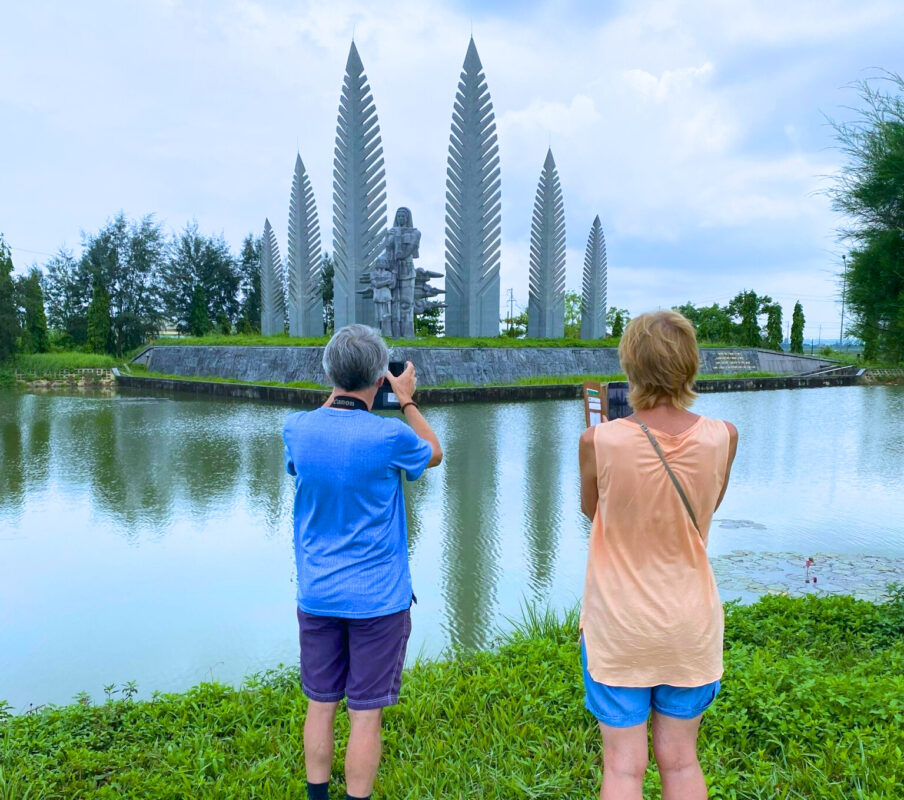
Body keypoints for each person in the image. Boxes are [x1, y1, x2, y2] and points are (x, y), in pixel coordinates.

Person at [578, 310, 739, 800]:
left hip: (619, 628)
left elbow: (593, 511)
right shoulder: (724, 436)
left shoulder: (597, 440)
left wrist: (612, 437)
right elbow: (707, 507)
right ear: (691, 366)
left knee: (624, 769)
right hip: (690, 626)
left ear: (630, 367)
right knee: (683, 762)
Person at [283, 324, 443, 800]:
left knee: (320, 704)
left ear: (329, 373)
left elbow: (300, 466)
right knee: (365, 713)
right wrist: (408, 400)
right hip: (378, 599)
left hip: (318, 593)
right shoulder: (390, 437)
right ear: (381, 379)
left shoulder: (297, 429)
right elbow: (433, 453)